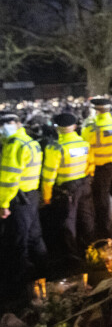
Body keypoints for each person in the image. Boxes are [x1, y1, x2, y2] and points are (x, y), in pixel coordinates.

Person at [0, 112, 46, 303]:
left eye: (6, 123)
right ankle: (43, 273)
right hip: (31, 196)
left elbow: (9, 179)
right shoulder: (29, 141)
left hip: (18, 200)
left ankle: (22, 287)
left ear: (16, 124)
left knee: (18, 241)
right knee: (34, 237)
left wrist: (3, 204)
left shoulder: (14, 145)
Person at [41, 112, 95, 264]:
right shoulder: (83, 144)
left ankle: (73, 256)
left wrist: (46, 196)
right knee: (87, 218)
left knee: (69, 222)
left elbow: (49, 175)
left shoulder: (55, 147)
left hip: (67, 189)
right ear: (75, 127)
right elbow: (91, 164)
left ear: (57, 128)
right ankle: (92, 249)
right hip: (84, 184)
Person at [81, 97, 112, 239]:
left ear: (96, 111)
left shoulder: (90, 128)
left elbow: (87, 152)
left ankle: (105, 235)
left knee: (102, 202)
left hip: (100, 170)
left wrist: (90, 173)